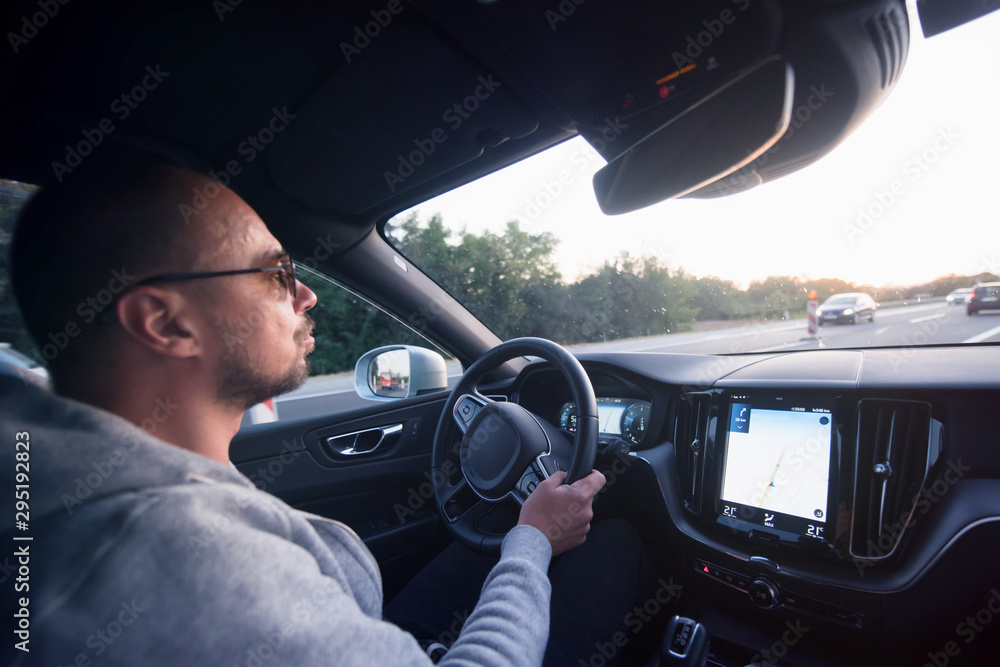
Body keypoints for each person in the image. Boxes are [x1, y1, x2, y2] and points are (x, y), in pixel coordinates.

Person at [1, 156, 662, 666]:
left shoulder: (58, 489)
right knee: (615, 541)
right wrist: (534, 540)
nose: (308, 294)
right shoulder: (183, 560)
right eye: (276, 273)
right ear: (165, 323)